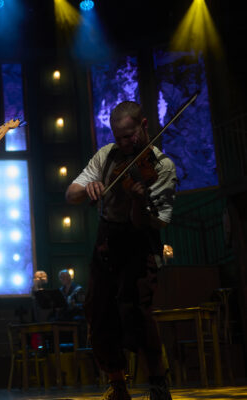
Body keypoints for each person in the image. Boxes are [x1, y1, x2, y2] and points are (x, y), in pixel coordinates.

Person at [65, 101, 177, 400]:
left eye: (129, 136)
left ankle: (158, 384)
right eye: (119, 137)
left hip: (140, 241)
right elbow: (71, 193)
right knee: (98, 311)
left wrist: (138, 200)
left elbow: (147, 223)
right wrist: (89, 187)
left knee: (138, 312)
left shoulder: (162, 167)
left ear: (144, 126)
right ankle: (118, 385)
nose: (125, 143)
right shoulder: (107, 155)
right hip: (107, 239)